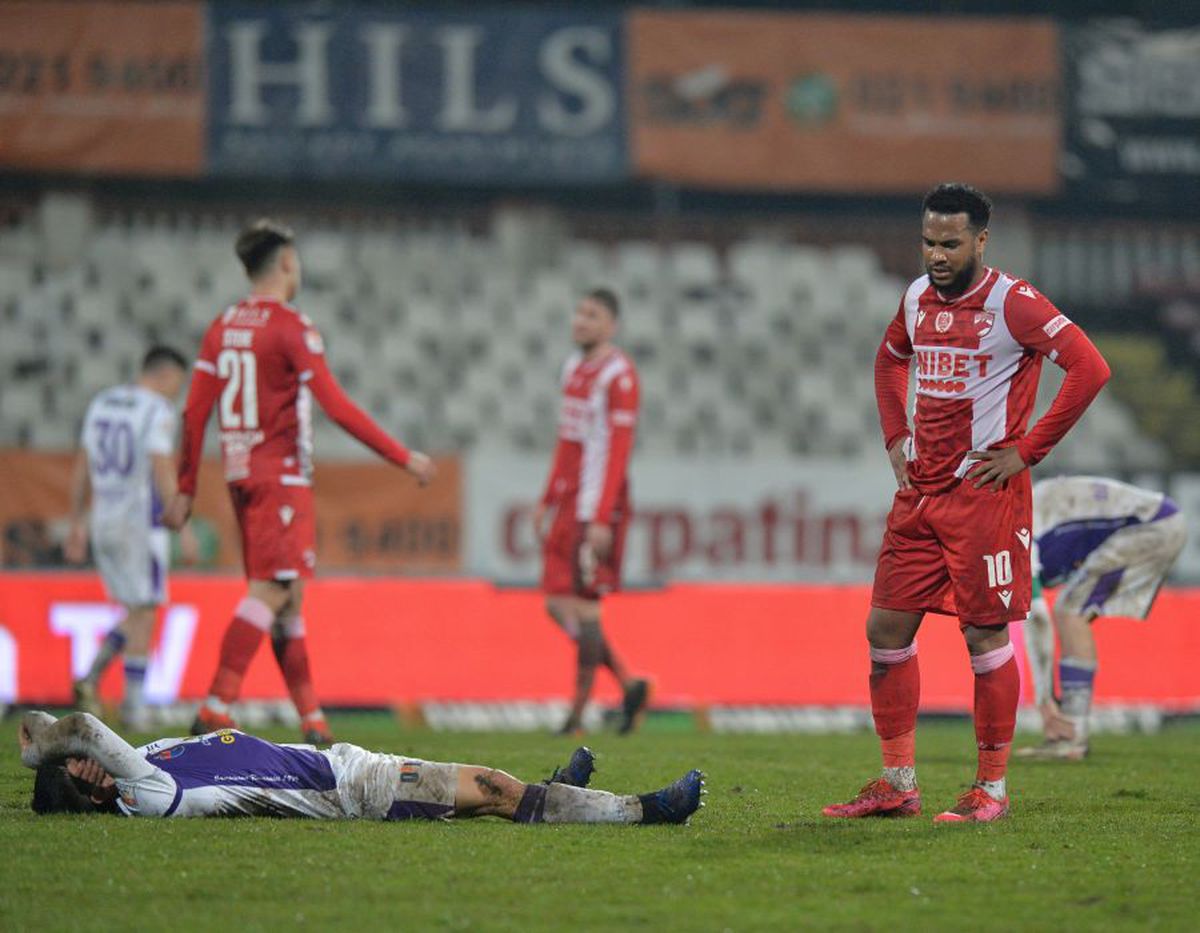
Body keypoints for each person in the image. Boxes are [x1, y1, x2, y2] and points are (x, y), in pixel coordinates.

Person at [822, 183, 1111, 824]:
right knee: (885, 630)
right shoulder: (917, 298)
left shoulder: (1016, 303)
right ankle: (899, 784)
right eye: (928, 242)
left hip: (984, 497)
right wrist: (895, 435)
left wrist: (1028, 450)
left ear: (981, 240)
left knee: (983, 636)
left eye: (951, 243)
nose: (937, 255)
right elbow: (889, 359)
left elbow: (1090, 368)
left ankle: (992, 790)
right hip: (919, 494)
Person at [163, 220, 436, 745]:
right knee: (273, 589)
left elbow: (195, 413)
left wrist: (186, 486)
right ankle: (217, 704)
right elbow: (335, 404)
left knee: (289, 599)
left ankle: (313, 720)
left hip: (242, 473)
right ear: (287, 263)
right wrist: (402, 457)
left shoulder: (222, 326)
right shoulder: (291, 326)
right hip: (281, 475)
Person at [19, 710, 704, 826]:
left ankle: (556, 794)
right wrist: (43, 744)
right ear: (90, 796)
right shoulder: (149, 792)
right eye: (82, 775)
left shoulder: (149, 761)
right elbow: (81, 725)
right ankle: (641, 810)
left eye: (82, 763)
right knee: (495, 789)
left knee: (492, 789)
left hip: (340, 761)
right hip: (353, 791)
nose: (91, 765)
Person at [534, 289, 650, 735]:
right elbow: (568, 441)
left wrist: (603, 516)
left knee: (585, 607)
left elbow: (619, 449)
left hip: (599, 501)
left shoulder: (619, 376)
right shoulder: (572, 368)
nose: (580, 321)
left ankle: (577, 714)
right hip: (570, 501)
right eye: (579, 311)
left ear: (611, 325)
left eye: (592, 314)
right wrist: (547, 498)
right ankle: (627, 681)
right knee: (555, 602)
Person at [65, 346, 195, 730]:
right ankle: (132, 707)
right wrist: (182, 523)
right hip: (139, 524)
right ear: (168, 375)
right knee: (146, 609)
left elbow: (82, 464)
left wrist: (77, 521)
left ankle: (93, 678)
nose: (177, 391)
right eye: (178, 383)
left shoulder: (102, 402)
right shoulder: (157, 410)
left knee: (137, 609)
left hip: (103, 518)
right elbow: (161, 466)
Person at [1018, 476, 1186, 761]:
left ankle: (1071, 733)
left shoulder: (1018, 529)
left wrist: (1044, 701)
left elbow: (1036, 618)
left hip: (1152, 525)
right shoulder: (1033, 506)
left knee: (1069, 611)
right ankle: (1072, 731)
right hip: (1158, 520)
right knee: (1071, 612)